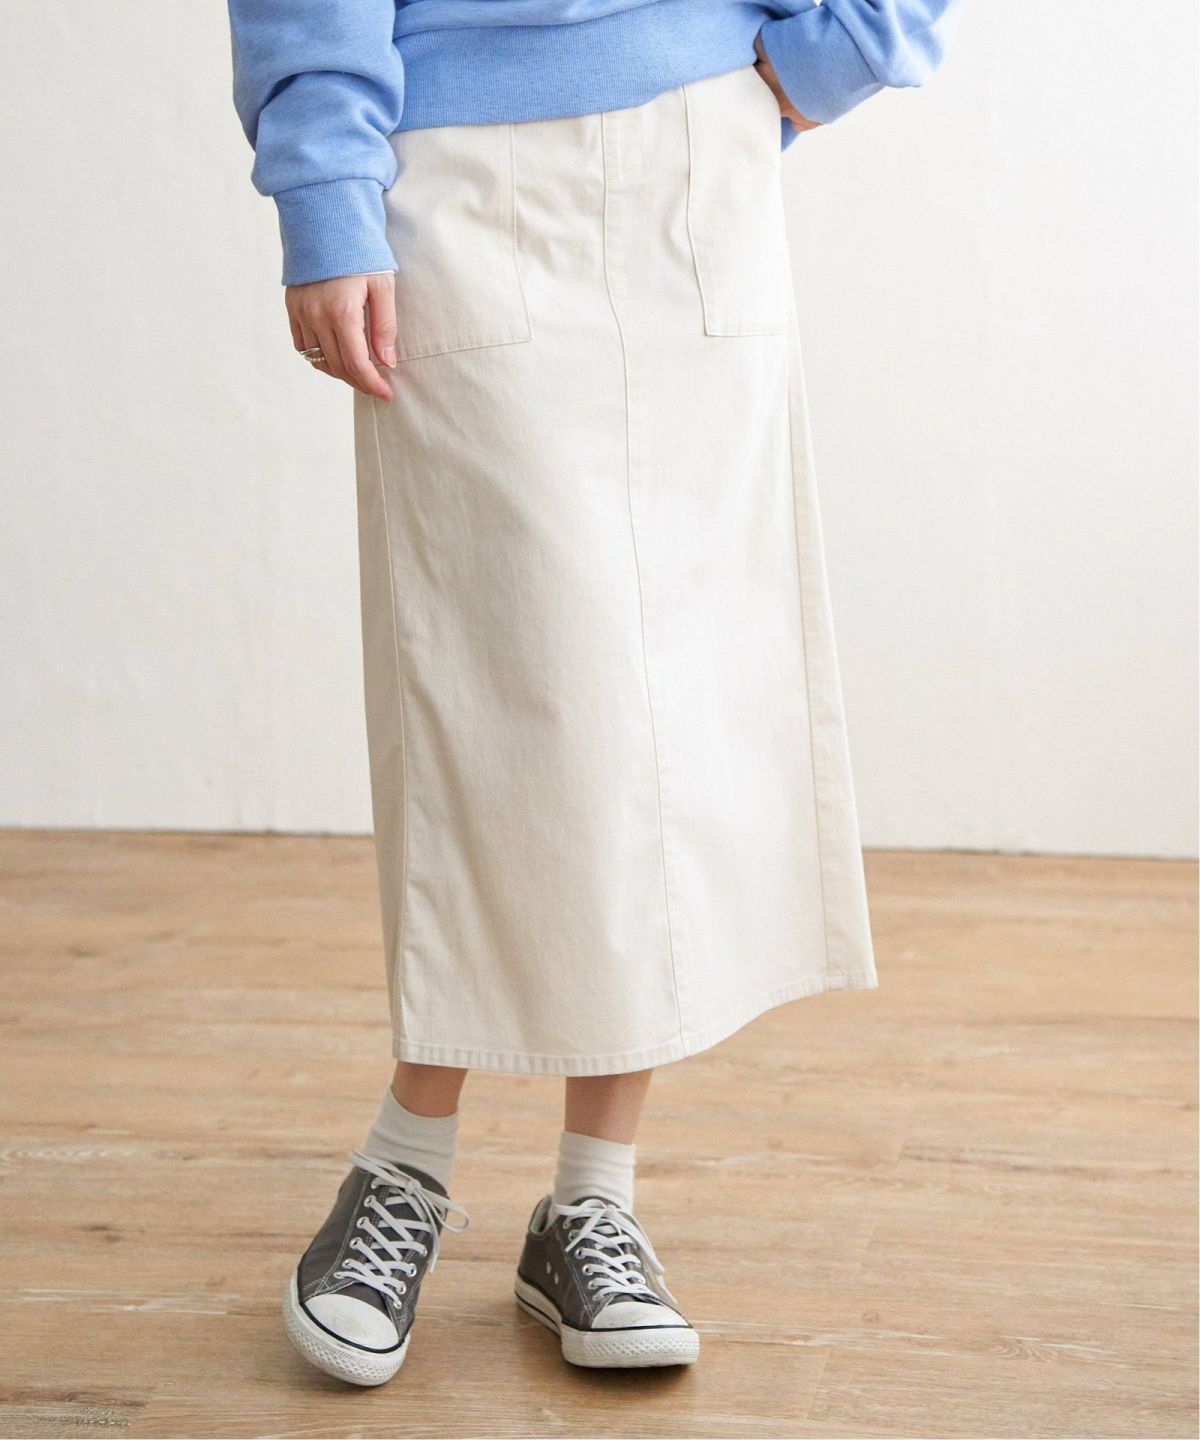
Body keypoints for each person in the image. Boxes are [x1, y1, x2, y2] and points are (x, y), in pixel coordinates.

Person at [225, 0, 963, 1387]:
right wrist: (325, 189)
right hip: (450, 166)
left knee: (670, 703)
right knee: (485, 688)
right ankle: (407, 1160)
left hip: (699, 143)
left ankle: (593, 1198)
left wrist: (849, 45)